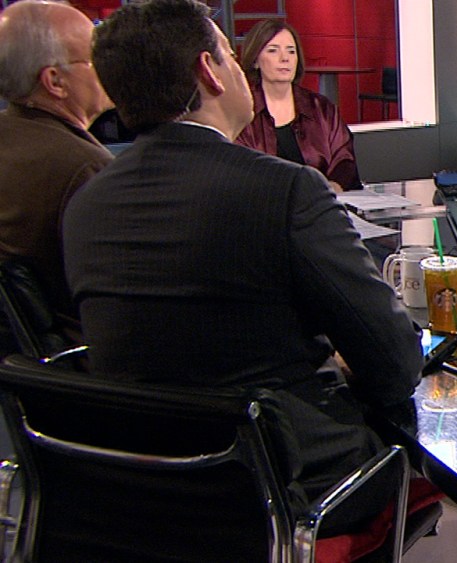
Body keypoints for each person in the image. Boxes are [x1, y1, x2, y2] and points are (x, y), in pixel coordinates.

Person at [64, 0, 422, 535]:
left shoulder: (86, 203)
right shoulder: (286, 190)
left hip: (145, 493)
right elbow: (395, 365)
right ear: (209, 71)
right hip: (289, 487)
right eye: (232, 57)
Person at [0, 0, 114, 348]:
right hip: (82, 357)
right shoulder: (84, 167)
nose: (108, 66)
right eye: (95, 57)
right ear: (55, 81)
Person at [235, 20, 362, 191]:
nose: (284, 58)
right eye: (273, 50)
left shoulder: (321, 108)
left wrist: (332, 189)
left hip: (323, 201)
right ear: (255, 61)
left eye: (291, 51)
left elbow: (345, 159)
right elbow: (241, 171)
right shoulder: (243, 112)